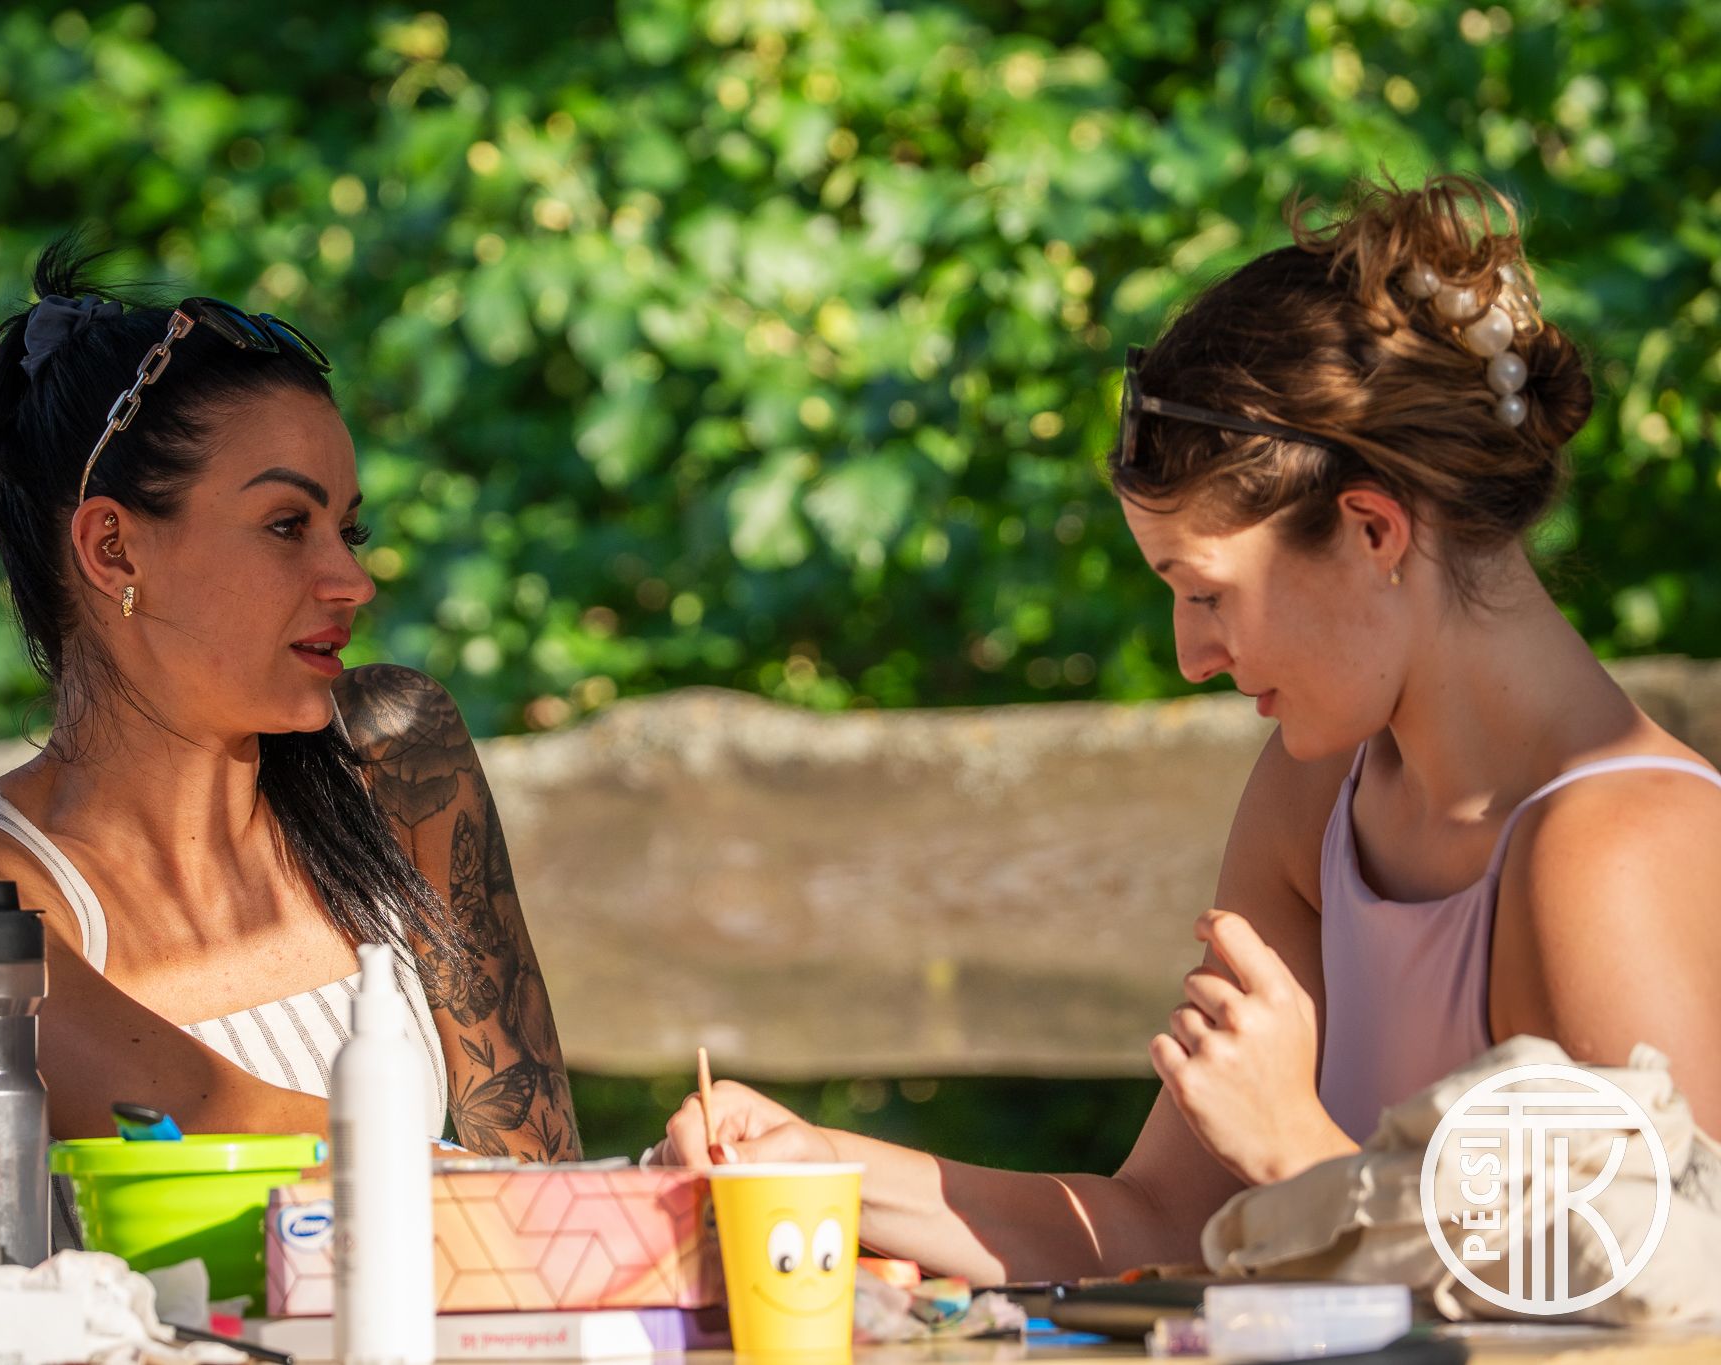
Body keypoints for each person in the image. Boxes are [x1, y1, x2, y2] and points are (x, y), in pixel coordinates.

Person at [652, 176, 1721, 1281]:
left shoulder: (1615, 848)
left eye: (1206, 591)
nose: (1191, 656)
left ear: (1370, 531)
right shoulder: (1317, 797)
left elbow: (1652, 1305)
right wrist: (823, 1168)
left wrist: (1295, 1150)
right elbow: (1163, 1224)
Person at [0, 240, 581, 1171]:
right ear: (113, 548)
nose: (352, 580)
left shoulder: (400, 757)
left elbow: (544, 1182)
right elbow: (202, 1111)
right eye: (287, 524)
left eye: (349, 529)